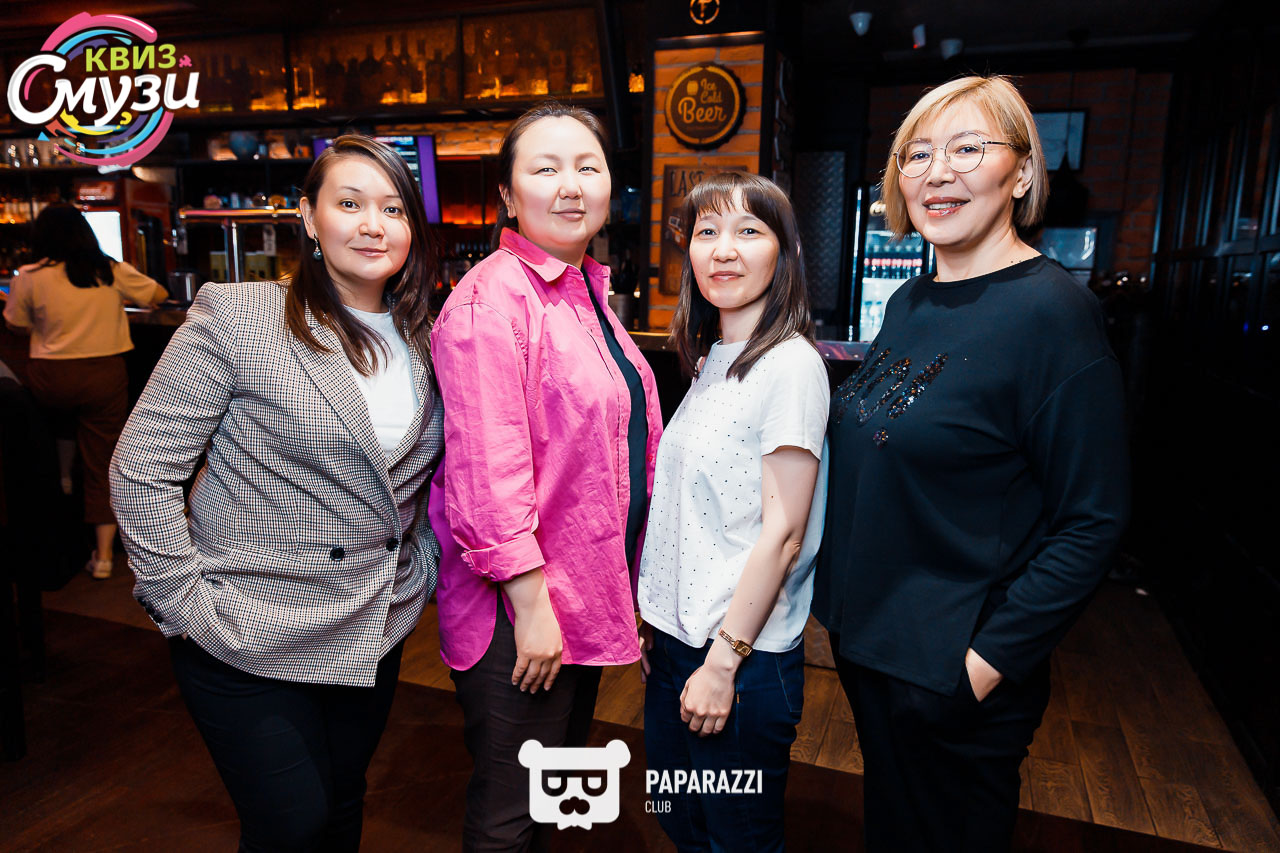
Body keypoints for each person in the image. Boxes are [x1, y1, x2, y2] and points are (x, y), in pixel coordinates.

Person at [813, 75, 1130, 852]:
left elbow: (1092, 519)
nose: (937, 172)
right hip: (872, 651)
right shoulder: (911, 301)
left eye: (967, 149)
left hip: (950, 673)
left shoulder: (1053, 313)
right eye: (917, 154)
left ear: (1020, 173)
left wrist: (983, 665)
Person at [109, 135, 443, 851]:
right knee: (292, 824)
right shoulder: (241, 315)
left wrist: (421, 571)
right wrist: (182, 601)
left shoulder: (428, 338)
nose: (373, 225)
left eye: (393, 209)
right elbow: (142, 467)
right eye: (349, 204)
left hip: (372, 624)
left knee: (344, 805)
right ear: (310, 217)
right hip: (244, 630)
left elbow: (424, 482)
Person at [428, 102, 663, 851]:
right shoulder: (490, 300)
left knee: (549, 794)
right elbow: (486, 472)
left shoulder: (584, 290)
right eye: (546, 168)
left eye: (587, 167)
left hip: (582, 595)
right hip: (523, 612)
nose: (571, 185)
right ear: (507, 194)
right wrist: (531, 607)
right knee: (509, 816)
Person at [637, 171, 828, 852]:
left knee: (736, 841)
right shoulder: (715, 358)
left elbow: (784, 533)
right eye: (707, 231)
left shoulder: (790, 366)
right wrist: (658, 621)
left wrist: (722, 664)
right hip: (678, 645)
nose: (723, 249)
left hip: (737, 659)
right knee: (682, 821)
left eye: (749, 230)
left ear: (784, 252)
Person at [2, 203, 167, 579]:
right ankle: (105, 556)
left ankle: (62, 482)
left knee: (49, 431)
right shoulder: (108, 270)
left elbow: (15, 323)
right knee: (103, 460)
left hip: (50, 377)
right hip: (102, 376)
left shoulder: (28, 275)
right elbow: (157, 293)